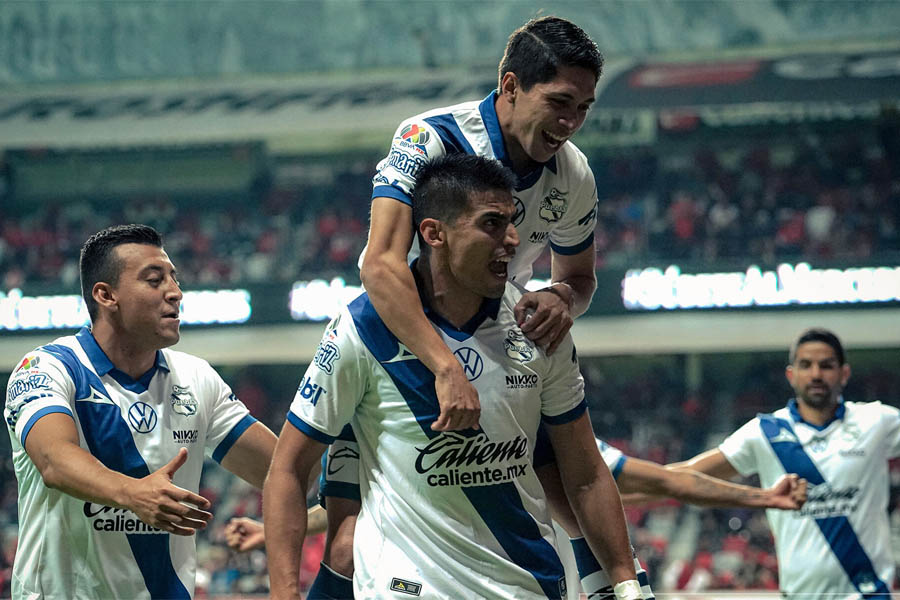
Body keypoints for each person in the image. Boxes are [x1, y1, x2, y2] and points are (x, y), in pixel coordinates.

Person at [314, 15, 615, 599]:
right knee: (347, 540)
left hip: (501, 334)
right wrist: (443, 365)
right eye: (559, 102)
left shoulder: (574, 173)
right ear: (509, 86)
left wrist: (561, 300)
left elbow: (579, 279)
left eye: (584, 107)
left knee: (570, 475)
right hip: (398, 338)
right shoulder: (427, 138)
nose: (571, 122)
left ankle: (614, 583)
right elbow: (379, 264)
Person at [264, 154, 642, 600]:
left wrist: (627, 585)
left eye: (513, 222)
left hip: (529, 586)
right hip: (407, 588)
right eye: (492, 224)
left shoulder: (537, 326)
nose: (513, 240)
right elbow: (288, 468)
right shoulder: (362, 328)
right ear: (433, 233)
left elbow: (585, 474)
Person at [4, 224, 278, 599]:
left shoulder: (196, 377)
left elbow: (284, 471)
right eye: (154, 280)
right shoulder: (45, 368)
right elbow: (55, 461)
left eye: (173, 279)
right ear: (106, 295)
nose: (176, 293)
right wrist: (133, 494)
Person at [230, 436, 807, 597]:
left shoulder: (555, 445)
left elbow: (668, 480)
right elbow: (356, 504)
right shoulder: (424, 446)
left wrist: (762, 498)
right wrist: (269, 531)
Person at [670, 327, 899, 599]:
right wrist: (620, 484)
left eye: (826, 366)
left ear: (844, 373)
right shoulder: (764, 431)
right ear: (791, 374)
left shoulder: (877, 420)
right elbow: (684, 476)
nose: (816, 374)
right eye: (806, 365)